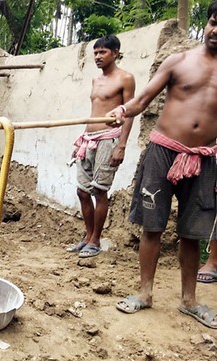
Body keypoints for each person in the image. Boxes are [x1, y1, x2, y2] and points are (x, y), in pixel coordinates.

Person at [110, 2, 217, 329]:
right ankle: (145, 293)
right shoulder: (178, 61)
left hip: (204, 158)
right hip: (163, 151)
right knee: (152, 225)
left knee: (192, 232)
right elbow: (142, 100)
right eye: (214, 22)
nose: (216, 31)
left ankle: (189, 301)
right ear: (208, 23)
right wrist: (124, 111)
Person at [67, 35, 135, 258]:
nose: (97, 56)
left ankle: (95, 240)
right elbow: (94, 111)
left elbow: (130, 113)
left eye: (102, 52)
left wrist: (121, 145)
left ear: (115, 53)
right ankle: (87, 236)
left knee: (99, 190)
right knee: (82, 191)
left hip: (109, 138)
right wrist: (81, 141)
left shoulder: (126, 79)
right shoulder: (96, 81)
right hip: (89, 138)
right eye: (95, 52)